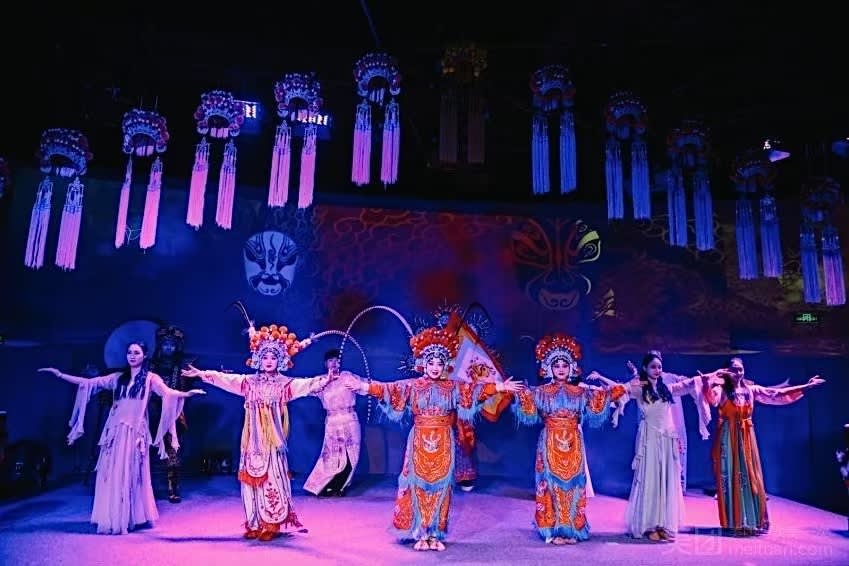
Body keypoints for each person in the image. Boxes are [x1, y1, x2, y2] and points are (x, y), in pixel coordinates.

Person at [344, 326, 523, 551]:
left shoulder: (452, 387)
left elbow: (473, 391)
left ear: (445, 365)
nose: (435, 367)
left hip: (444, 442)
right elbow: (389, 389)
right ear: (424, 364)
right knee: (418, 486)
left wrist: (499, 386)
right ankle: (420, 532)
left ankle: (435, 533)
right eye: (431, 363)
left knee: (441, 488)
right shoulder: (413, 386)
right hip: (419, 441)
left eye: (440, 363)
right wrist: (363, 386)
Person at [181, 323, 336, 541]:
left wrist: (326, 379)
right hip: (252, 441)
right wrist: (202, 374)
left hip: (272, 442)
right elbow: (226, 379)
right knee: (250, 482)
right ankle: (254, 522)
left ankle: (271, 523)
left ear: (280, 360)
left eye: (273, 357)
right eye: (265, 357)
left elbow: (307, 384)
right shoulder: (248, 383)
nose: (269, 361)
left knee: (273, 479)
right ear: (258, 359)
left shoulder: (285, 384)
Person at [38, 341, 204, 535]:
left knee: (131, 473)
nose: (132, 356)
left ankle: (129, 517)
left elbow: (168, 393)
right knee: (111, 473)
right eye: (129, 352)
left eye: (136, 352)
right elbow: (89, 383)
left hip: (135, 433)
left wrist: (186, 394)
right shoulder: (117, 378)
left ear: (144, 355)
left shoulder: (151, 379)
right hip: (115, 432)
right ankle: (113, 516)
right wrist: (60, 374)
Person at [590, 351, 726, 542]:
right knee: (651, 481)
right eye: (653, 367)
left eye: (660, 367)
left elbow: (689, 384)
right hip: (650, 440)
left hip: (667, 439)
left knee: (666, 481)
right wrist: (598, 385)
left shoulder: (666, 389)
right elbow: (619, 389)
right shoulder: (640, 386)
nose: (657, 370)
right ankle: (649, 525)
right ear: (645, 368)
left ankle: (662, 523)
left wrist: (712, 375)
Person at [512, 333, 626, 545]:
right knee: (550, 484)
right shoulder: (541, 391)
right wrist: (517, 393)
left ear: (572, 367)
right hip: (549, 441)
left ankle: (571, 528)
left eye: (565, 365)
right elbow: (527, 410)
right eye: (556, 365)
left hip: (573, 442)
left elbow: (598, 402)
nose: (561, 369)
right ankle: (552, 530)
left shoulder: (579, 392)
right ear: (548, 368)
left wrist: (618, 390)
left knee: (573, 485)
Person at [701, 357, 825, 535]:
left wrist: (806, 386)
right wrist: (708, 381)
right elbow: (711, 400)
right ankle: (734, 520)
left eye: (740, 369)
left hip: (746, 436)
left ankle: (753, 520)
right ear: (727, 371)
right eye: (734, 369)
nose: (738, 372)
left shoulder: (751, 390)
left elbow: (775, 394)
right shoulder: (720, 390)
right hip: (728, 437)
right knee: (731, 475)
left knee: (751, 475)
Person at [303, 348, 367, 497]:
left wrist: (369, 388)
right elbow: (307, 389)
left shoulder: (347, 376)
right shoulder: (321, 381)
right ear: (325, 363)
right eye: (331, 360)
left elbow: (365, 386)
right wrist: (326, 381)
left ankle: (340, 486)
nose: (334, 363)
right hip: (332, 421)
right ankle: (325, 485)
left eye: (337, 360)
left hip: (350, 419)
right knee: (331, 455)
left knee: (351, 454)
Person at [149, 324, 193, 503]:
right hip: (151, 410)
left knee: (173, 450)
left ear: (176, 347)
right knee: (145, 449)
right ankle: (144, 489)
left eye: (172, 345)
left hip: (173, 412)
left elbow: (188, 386)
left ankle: (173, 488)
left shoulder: (180, 366)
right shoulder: (150, 365)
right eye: (165, 344)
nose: (168, 348)